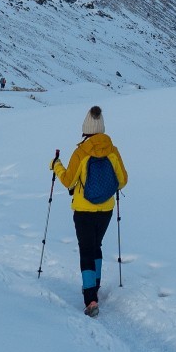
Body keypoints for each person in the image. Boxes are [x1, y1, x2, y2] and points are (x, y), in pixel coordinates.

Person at [52, 105, 127, 316]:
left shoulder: (81, 152)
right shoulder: (113, 150)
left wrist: (56, 165)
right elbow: (123, 180)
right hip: (106, 209)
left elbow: (69, 181)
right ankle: (95, 285)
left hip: (83, 210)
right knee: (97, 246)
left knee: (86, 250)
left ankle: (91, 299)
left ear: (85, 128)